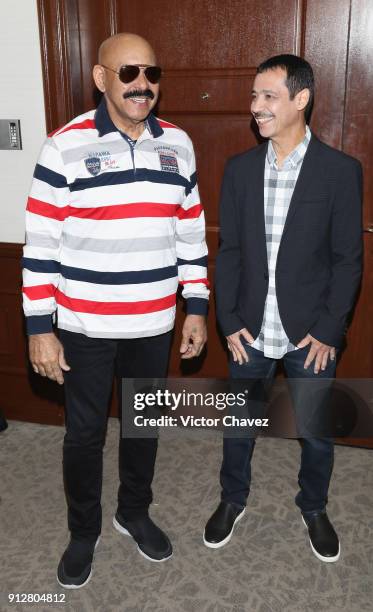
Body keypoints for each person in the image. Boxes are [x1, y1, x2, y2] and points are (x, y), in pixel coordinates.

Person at [22, 32, 209, 588]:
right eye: (128, 73)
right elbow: (41, 245)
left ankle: (134, 512)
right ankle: (84, 532)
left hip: (154, 321)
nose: (142, 85)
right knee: (84, 436)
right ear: (102, 79)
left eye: (151, 73)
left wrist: (195, 307)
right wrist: (39, 330)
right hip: (84, 325)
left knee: (144, 426)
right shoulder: (63, 146)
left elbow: (190, 232)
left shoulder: (179, 143)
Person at [204, 54, 362, 562]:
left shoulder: (340, 172)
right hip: (249, 329)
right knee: (238, 426)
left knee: (315, 431)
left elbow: (347, 261)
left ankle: (313, 506)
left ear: (301, 99)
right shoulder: (240, 169)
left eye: (268, 96)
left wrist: (330, 330)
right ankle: (233, 499)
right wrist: (228, 320)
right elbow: (228, 252)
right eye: (254, 96)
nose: (256, 108)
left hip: (309, 335)